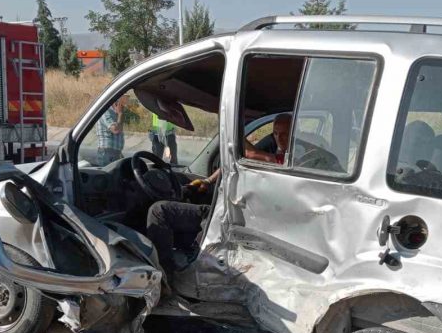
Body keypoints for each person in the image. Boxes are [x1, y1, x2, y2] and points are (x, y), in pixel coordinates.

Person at [147, 112, 294, 272]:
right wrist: (208, 181)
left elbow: (249, 153)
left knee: (159, 211)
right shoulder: (277, 152)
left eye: (285, 134)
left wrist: (229, 124)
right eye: (276, 133)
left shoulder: (288, 158)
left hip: (237, 218)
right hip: (239, 211)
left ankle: (165, 275)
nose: (279, 138)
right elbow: (234, 162)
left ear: (294, 132)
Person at [96, 94, 129, 165]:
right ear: (117, 100)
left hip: (114, 152)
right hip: (106, 152)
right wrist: (120, 114)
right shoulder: (105, 111)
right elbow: (115, 130)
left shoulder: (116, 112)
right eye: (124, 99)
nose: (126, 102)